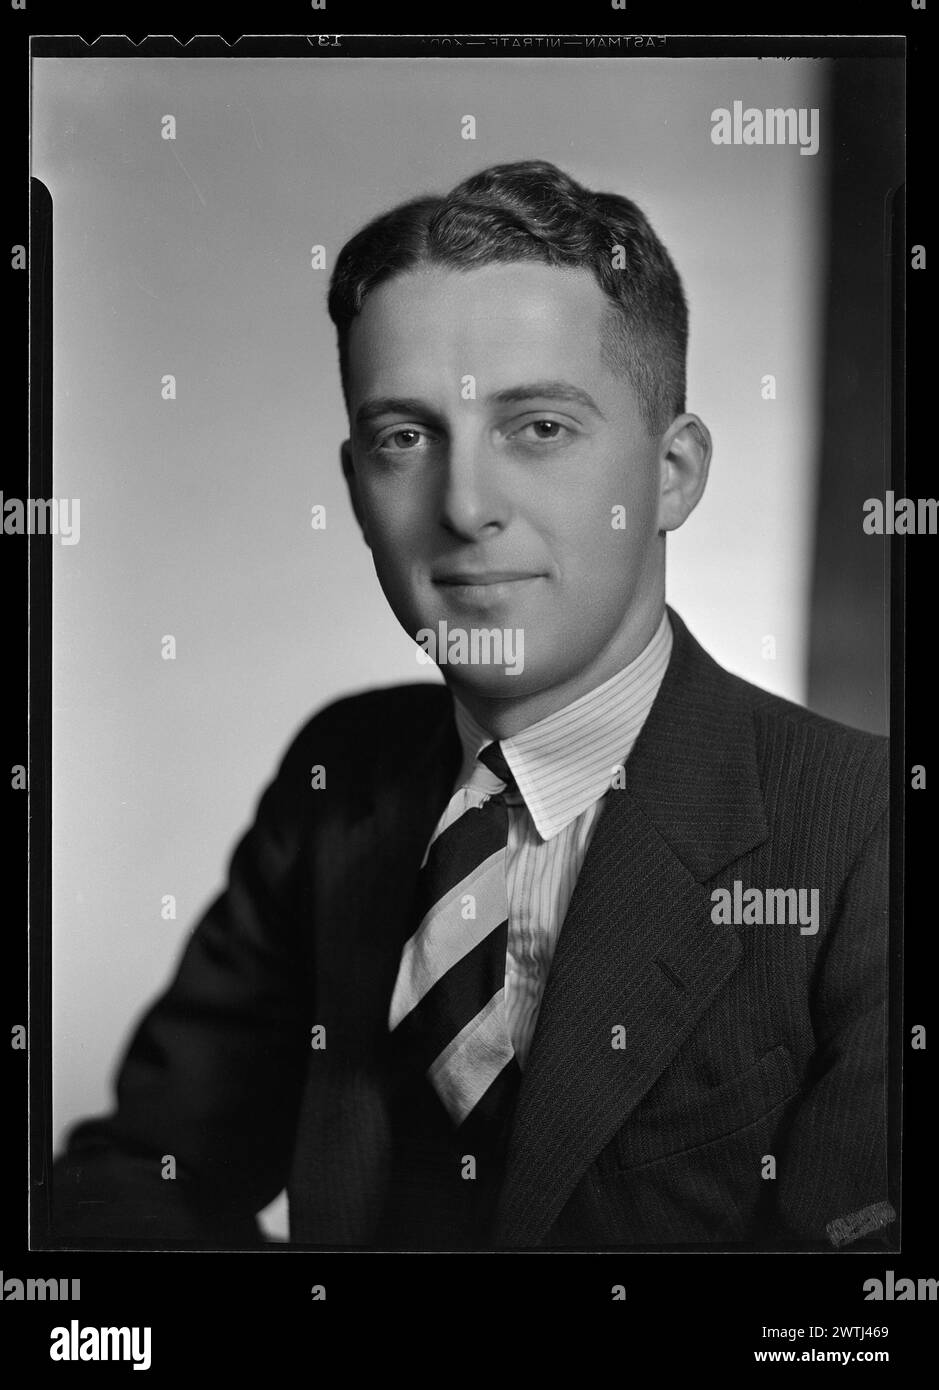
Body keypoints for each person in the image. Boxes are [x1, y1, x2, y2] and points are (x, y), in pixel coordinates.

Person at [52, 160, 894, 1249]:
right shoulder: (341, 776)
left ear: (674, 474)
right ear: (356, 487)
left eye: (538, 427)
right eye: (405, 437)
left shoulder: (869, 834)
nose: (462, 505)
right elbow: (134, 1182)